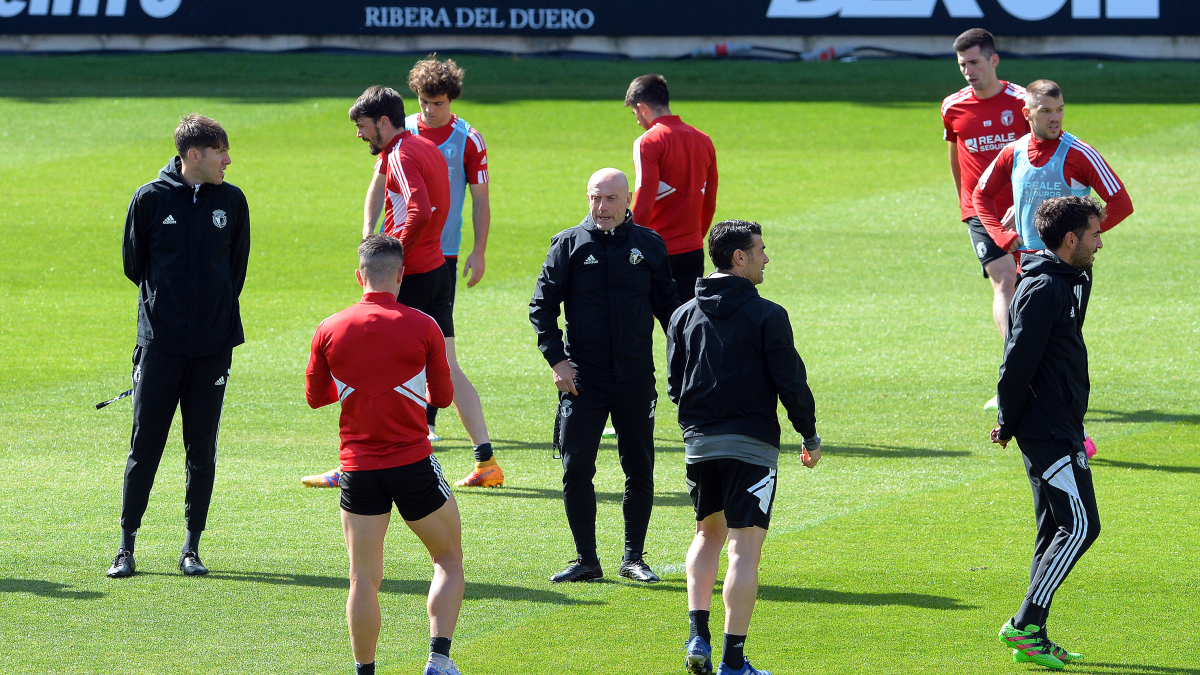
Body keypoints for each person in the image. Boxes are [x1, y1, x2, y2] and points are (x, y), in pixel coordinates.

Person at [667, 220, 820, 675]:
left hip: (699, 443)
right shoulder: (768, 314)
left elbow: (676, 384)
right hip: (751, 446)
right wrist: (808, 434)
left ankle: (698, 635)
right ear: (739, 258)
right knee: (744, 550)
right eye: (760, 250)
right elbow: (790, 381)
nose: (766, 258)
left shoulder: (682, 314)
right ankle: (733, 661)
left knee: (705, 535)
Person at [306, 235, 464, 675]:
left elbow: (316, 398)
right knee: (448, 560)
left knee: (363, 579)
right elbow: (444, 397)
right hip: (413, 464)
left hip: (357, 469)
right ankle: (437, 660)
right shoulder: (424, 326)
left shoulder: (330, 329)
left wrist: (358, 384)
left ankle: (365, 671)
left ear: (360, 276)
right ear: (400, 275)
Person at [107, 113, 251, 579]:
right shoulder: (149, 199)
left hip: (213, 346)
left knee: (201, 448)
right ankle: (126, 547)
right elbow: (135, 266)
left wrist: (211, 313)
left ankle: (191, 547)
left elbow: (236, 269)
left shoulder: (232, 200)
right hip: (161, 345)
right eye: (219, 152)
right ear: (194, 155)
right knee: (144, 445)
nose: (228, 161)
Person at [528, 168, 680, 583]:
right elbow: (541, 308)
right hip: (583, 379)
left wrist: (685, 361)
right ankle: (586, 560)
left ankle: (633, 557)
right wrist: (557, 361)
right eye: (596, 198)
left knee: (640, 467)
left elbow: (671, 311)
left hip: (634, 378)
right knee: (576, 467)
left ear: (628, 199)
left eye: (612, 198)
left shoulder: (649, 245)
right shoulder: (568, 244)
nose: (602, 207)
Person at [302, 85, 453, 489]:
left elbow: (419, 208)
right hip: (437, 267)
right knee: (446, 364)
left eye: (362, 126)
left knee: (379, 362)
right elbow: (439, 203)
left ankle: (360, 463)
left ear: (383, 122)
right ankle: (485, 454)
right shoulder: (423, 147)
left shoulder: (402, 153)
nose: (359, 134)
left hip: (413, 273)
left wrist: (391, 255)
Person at [974, 78, 1133, 457]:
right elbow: (980, 194)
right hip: (1028, 266)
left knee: (1061, 349)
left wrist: (1081, 241)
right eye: (1045, 111)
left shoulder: (1079, 153)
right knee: (1028, 345)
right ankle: (1038, 421)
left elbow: (1121, 203)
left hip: (1070, 272)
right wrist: (999, 233)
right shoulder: (1012, 152)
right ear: (1026, 113)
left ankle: (1072, 431)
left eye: (1059, 109)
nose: (1055, 117)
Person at [990, 196, 1105, 670]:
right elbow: (1017, 362)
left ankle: (1032, 634)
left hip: (1063, 423)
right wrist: (1008, 422)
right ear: (1071, 238)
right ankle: (1024, 624)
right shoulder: (1041, 289)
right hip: (1045, 428)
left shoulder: (1074, 278)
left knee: (1053, 529)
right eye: (1095, 235)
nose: (1101, 243)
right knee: (1081, 526)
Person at [404, 55, 503, 487]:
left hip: (437, 259)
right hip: (397, 255)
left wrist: (478, 252)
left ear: (452, 99)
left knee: (433, 354)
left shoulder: (468, 139)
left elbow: (481, 200)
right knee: (424, 352)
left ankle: (403, 439)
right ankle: (423, 431)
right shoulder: (403, 131)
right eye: (425, 102)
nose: (430, 110)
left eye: (438, 103)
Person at [940, 28, 1029, 410]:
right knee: (1004, 281)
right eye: (962, 65)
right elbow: (956, 156)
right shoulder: (952, 106)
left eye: (974, 62)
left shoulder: (1024, 101)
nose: (968, 71)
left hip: (1028, 209)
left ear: (994, 60)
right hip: (983, 211)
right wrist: (967, 204)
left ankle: (1041, 365)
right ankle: (1016, 372)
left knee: (1034, 287)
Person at [625, 73, 718, 304]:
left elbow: (644, 201)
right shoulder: (704, 139)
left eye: (634, 113)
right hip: (693, 250)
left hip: (657, 251)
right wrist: (696, 236)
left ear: (642, 107)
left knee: (640, 321)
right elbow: (710, 201)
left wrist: (630, 245)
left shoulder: (647, 141)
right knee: (685, 326)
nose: (636, 120)